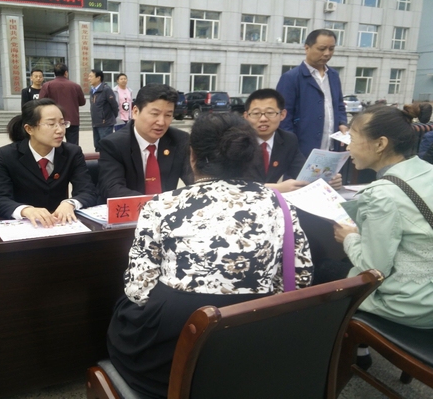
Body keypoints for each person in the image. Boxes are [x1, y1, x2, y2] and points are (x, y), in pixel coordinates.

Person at [106, 112, 314, 398]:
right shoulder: (279, 202)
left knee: (123, 311)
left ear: (192, 155)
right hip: (256, 343)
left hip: (176, 348)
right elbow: (301, 277)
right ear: (247, 156)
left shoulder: (162, 205)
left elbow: (138, 289)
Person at [332, 105, 433, 329]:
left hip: (412, 304)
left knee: (324, 274)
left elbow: (373, 270)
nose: (348, 147)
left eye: (352, 139)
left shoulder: (382, 194)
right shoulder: (427, 170)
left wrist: (349, 238)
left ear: (380, 144)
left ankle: (340, 346)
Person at [0, 98, 97, 227]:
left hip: (60, 224)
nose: (60, 130)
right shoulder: (6, 155)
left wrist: (70, 203)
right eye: (51, 124)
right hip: (25, 226)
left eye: (62, 123)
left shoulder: (72, 153)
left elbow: (88, 191)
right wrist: (26, 210)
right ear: (29, 129)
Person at [98, 84, 194, 201]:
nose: (161, 122)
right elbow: (112, 189)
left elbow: (195, 179)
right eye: (154, 114)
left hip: (167, 209)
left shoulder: (179, 140)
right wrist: (154, 203)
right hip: (133, 209)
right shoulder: (114, 145)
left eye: (168, 115)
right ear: (135, 112)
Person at [243, 88, 342, 192]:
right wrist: (275, 188)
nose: (263, 119)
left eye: (270, 113)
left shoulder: (288, 140)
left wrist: (328, 180)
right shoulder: (235, 142)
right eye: (256, 113)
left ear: (282, 115)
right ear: (246, 116)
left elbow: (303, 174)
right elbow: (234, 184)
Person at [276, 29, 348, 158]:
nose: (327, 53)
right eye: (322, 49)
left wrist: (342, 123)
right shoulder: (291, 78)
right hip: (303, 151)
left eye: (331, 49)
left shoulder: (333, 75)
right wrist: (291, 148)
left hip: (331, 148)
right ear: (307, 48)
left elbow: (339, 105)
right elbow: (283, 118)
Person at [39, 63, 86, 145]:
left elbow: (41, 102)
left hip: (53, 120)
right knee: (73, 144)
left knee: (53, 142)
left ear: (54, 73)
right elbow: (82, 102)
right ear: (66, 73)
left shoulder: (47, 85)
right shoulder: (75, 86)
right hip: (72, 120)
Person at [89, 69, 118, 152]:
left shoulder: (106, 90)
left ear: (98, 78)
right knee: (97, 146)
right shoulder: (92, 91)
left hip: (105, 124)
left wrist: (109, 118)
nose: (89, 78)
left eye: (91, 76)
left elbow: (114, 105)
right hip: (96, 122)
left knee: (106, 146)